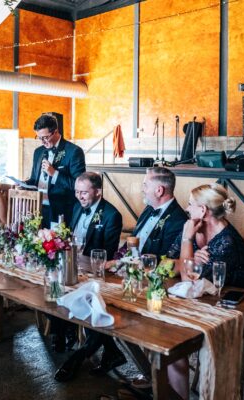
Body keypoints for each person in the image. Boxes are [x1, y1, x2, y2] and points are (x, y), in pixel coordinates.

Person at [56, 167, 188, 383]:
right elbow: (131, 243)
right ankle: (109, 352)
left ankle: (83, 355)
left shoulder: (177, 220)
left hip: (152, 286)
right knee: (88, 295)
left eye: (145, 185)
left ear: (159, 190)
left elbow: (167, 265)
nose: (141, 189)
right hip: (127, 275)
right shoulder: (148, 210)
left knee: (100, 301)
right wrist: (117, 259)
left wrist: (126, 266)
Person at [162, 183, 244, 398]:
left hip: (239, 311)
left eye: (190, 205)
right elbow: (167, 264)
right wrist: (189, 259)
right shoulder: (193, 226)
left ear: (203, 211)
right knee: (166, 331)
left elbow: (189, 280)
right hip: (206, 302)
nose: (186, 209)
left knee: (174, 336)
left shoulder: (226, 242)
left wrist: (187, 244)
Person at [52, 172, 123, 378]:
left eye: (84, 192)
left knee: (85, 299)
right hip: (74, 266)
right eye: (76, 192)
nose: (79, 197)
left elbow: (108, 254)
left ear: (98, 192)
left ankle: (78, 352)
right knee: (50, 285)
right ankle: (63, 330)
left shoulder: (111, 215)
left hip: (97, 273)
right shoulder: (76, 207)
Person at [26, 114, 86, 228]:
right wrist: (23, 184)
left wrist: (54, 174)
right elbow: (35, 179)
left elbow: (79, 186)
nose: (42, 142)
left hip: (61, 211)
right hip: (38, 209)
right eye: (39, 138)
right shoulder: (38, 152)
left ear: (55, 131)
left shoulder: (74, 151)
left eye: (45, 137)